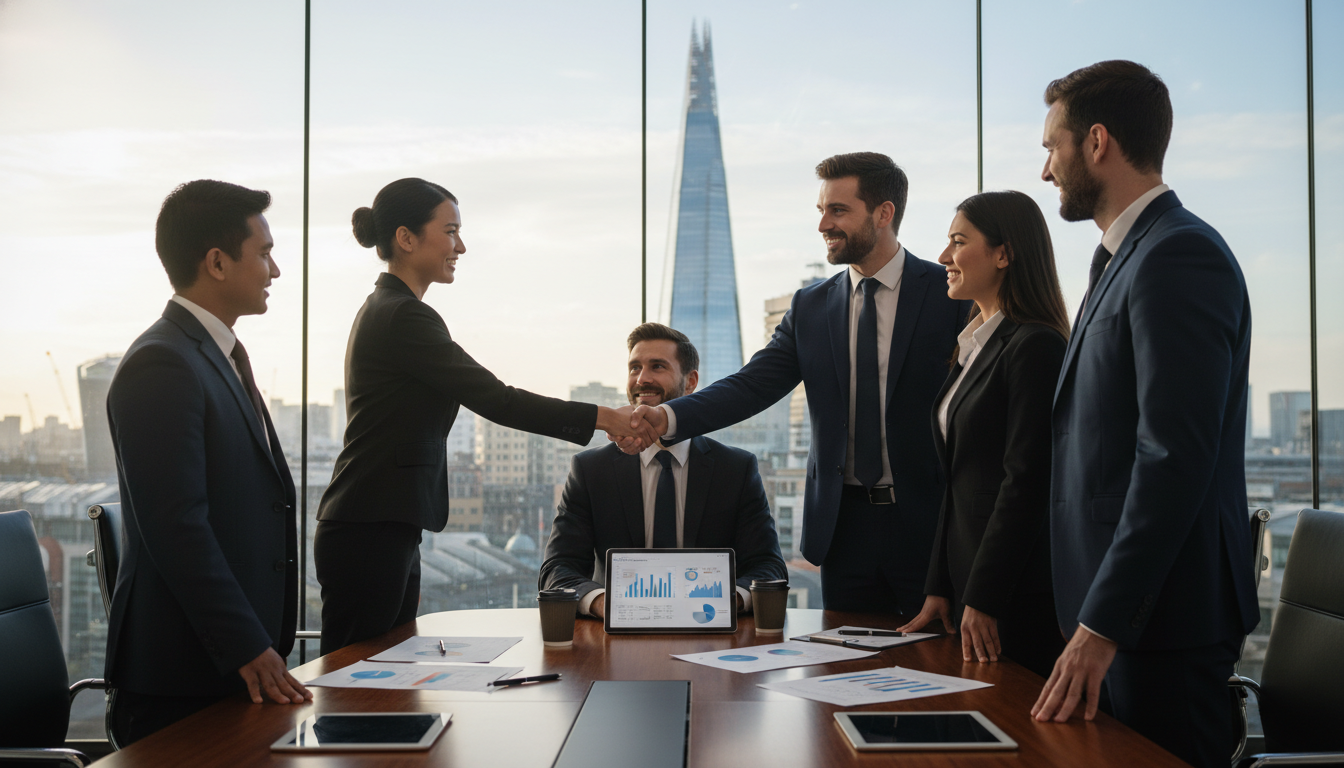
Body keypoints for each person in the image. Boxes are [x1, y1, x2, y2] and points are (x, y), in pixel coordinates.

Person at [1027, 61, 1258, 768]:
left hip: (1159, 622)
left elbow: (1172, 457)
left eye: (1052, 147)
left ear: (1097, 142)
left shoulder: (1177, 254)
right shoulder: (1125, 256)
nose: (1045, 170)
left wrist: (1103, 623)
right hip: (1121, 616)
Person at [316, 178, 652, 655]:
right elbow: (497, 399)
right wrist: (606, 418)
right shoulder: (403, 316)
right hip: (371, 526)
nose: (461, 247)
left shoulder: (390, 309)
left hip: (378, 522)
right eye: (450, 231)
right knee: (358, 680)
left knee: (382, 677)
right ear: (406, 238)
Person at [623, 153, 971, 614]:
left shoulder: (949, 294)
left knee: (935, 657)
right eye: (822, 210)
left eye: (838, 210)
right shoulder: (810, 307)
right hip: (843, 531)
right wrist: (666, 416)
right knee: (842, 656)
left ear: (883, 213)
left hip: (931, 527)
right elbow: (751, 386)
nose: (823, 224)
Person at [105, 180, 310, 744]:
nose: (275, 270)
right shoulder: (162, 364)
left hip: (231, 671)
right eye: (264, 253)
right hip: (184, 680)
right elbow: (177, 526)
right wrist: (246, 645)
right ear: (217, 262)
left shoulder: (215, 355)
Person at [896, 191, 1069, 680]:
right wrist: (940, 585)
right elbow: (958, 482)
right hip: (968, 587)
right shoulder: (973, 345)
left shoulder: (1035, 344)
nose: (943, 256)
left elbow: (1025, 484)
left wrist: (985, 597)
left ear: (1003, 254)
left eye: (958, 241)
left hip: (1011, 594)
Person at [539, 323, 788, 619]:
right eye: (634, 368)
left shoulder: (735, 469)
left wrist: (727, 601)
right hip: (616, 635)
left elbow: (769, 567)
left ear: (690, 381)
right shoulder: (591, 470)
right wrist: (605, 603)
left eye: (657, 366)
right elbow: (557, 569)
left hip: (710, 630)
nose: (642, 379)